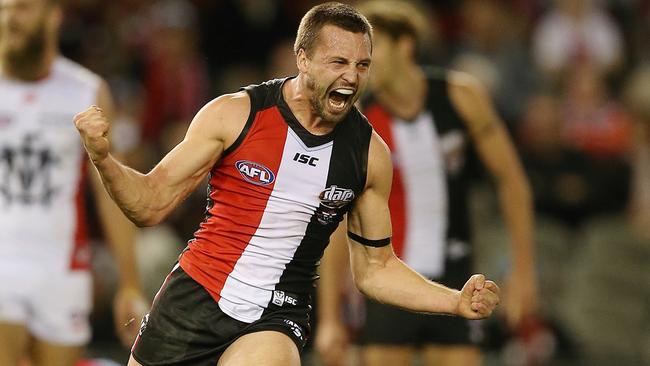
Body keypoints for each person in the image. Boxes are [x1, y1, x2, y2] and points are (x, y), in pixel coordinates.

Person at [73, 2, 501, 366]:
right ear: (302, 58)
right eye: (338, 62)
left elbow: (375, 270)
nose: (351, 77)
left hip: (276, 318)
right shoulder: (235, 114)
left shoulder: (368, 155)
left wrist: (454, 301)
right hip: (194, 297)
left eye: (362, 65)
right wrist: (104, 158)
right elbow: (147, 205)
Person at [314, 1, 537, 366]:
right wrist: (330, 318)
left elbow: (512, 182)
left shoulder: (461, 97)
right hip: (387, 280)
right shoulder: (357, 121)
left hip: (455, 274)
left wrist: (524, 272)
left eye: (373, 47)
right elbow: (338, 217)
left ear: (406, 46)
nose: (362, 62)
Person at [0, 0, 148, 365]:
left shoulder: (85, 91)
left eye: (21, 9)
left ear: (53, 17)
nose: (8, 20)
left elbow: (108, 191)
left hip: (62, 268)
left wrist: (129, 283)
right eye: (2, 10)